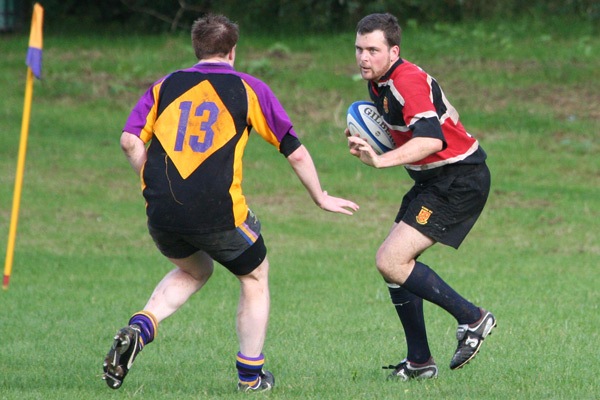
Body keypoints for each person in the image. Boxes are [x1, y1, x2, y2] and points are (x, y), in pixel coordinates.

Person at [102, 13, 359, 392]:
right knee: (254, 276)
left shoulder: (165, 85)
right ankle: (250, 378)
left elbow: (129, 141)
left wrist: (150, 181)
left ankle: (140, 328)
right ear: (232, 51)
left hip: (161, 211)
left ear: (197, 49)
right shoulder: (249, 88)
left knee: (195, 270)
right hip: (217, 212)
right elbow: (295, 151)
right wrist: (320, 197)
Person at [346, 13, 496, 381]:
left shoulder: (406, 81)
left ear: (393, 51)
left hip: (458, 179)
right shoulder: (379, 83)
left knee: (391, 260)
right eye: (359, 49)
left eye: (373, 50)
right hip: (433, 181)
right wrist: (368, 142)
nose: (364, 57)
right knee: (393, 265)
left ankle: (473, 318)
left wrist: (380, 160)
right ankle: (419, 362)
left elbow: (431, 139)